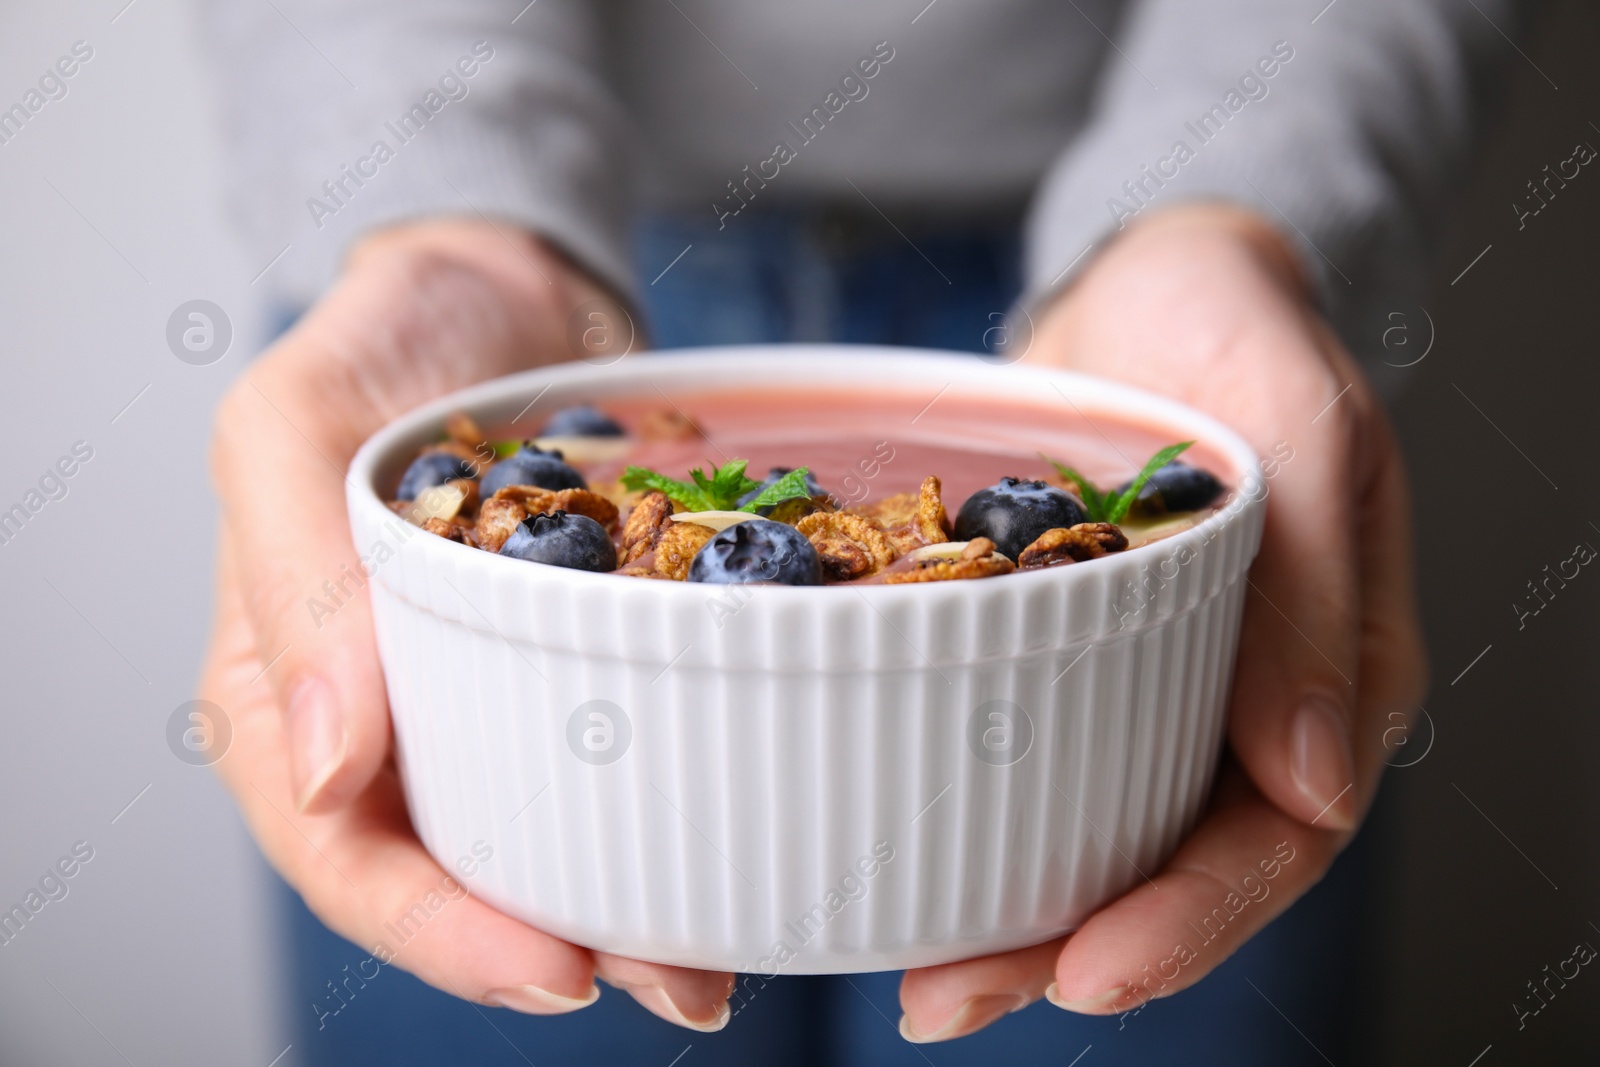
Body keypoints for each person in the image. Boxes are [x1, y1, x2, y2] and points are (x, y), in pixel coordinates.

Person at [197, 1, 1517, 1061]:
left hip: (1137, 303)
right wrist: (441, 211)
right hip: (520, 305)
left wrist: (1234, 204)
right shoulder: (508, 463)